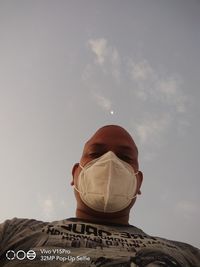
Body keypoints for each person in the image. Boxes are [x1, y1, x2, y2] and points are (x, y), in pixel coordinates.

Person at [0, 125, 199, 267]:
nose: (110, 162)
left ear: (138, 182)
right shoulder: (14, 232)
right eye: (96, 154)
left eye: (125, 157)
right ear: (75, 174)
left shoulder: (189, 255)